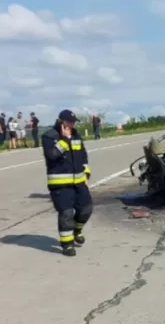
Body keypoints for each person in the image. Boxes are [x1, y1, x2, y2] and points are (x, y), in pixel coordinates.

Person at [41, 109, 93, 257]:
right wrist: (64, 140)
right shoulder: (49, 136)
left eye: (73, 122)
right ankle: (67, 244)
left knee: (86, 209)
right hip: (60, 184)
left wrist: (86, 174)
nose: (72, 124)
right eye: (69, 122)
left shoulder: (76, 134)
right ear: (60, 121)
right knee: (66, 213)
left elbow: (83, 156)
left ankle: (76, 231)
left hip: (79, 182)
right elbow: (52, 155)